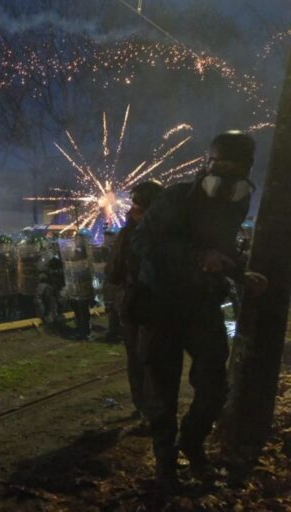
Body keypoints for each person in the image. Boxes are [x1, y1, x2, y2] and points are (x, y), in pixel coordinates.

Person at [131, 131, 268, 494]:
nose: (224, 174)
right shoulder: (175, 198)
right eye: (218, 164)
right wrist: (195, 257)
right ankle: (165, 466)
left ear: (245, 169)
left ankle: (190, 443)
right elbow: (142, 242)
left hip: (201, 305)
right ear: (206, 163)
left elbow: (218, 250)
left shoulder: (235, 204)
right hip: (160, 304)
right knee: (162, 391)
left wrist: (238, 272)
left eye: (233, 167)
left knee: (213, 387)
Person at [106, 181, 164, 422]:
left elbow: (113, 272)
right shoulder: (171, 230)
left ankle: (144, 408)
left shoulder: (128, 234)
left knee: (138, 359)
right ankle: (158, 411)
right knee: (160, 360)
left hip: (136, 304)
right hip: (163, 305)